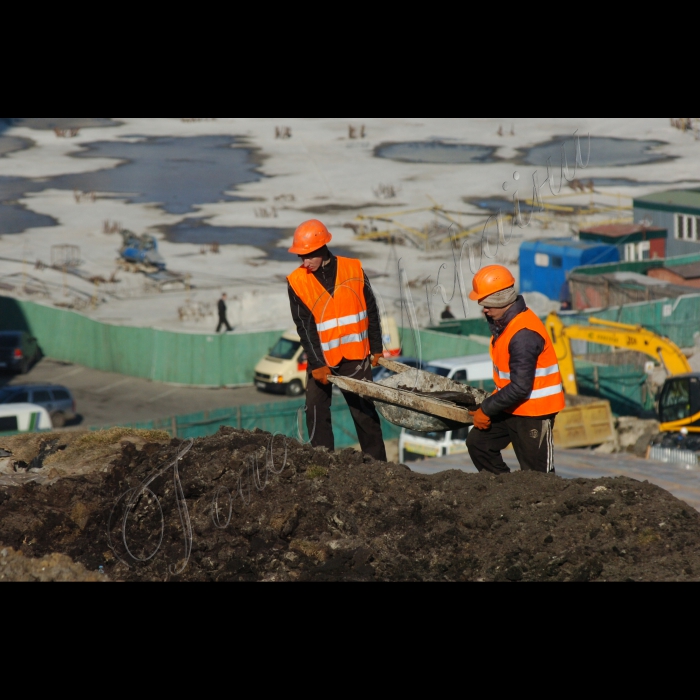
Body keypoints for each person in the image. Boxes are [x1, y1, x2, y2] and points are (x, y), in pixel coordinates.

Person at [287, 219, 387, 462]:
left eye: (308, 255)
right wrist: (317, 363)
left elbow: (371, 309)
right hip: (321, 359)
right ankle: (324, 463)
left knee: (363, 412)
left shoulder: (353, 269)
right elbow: (305, 328)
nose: (304, 261)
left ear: (322, 248)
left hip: (355, 355)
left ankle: (378, 466)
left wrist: (376, 347)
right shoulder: (297, 281)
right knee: (315, 410)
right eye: (300, 256)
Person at [466, 265, 565, 475]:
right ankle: (505, 492)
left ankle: (542, 505)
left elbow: (520, 386)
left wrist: (486, 408)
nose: (483, 308)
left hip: (535, 413)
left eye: (486, 303)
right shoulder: (505, 326)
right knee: (479, 444)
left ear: (501, 299)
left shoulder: (523, 334)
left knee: (538, 477)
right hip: (512, 407)